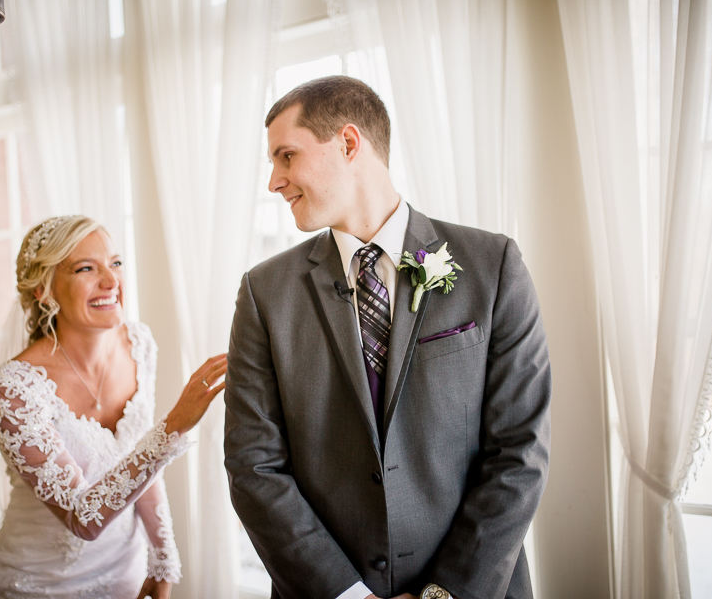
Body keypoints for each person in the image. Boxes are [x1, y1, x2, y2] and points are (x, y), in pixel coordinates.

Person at [224, 76, 551, 599]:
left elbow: (520, 449)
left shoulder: (493, 267)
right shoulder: (264, 293)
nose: (274, 182)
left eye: (286, 156)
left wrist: (442, 595)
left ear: (349, 143)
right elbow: (253, 465)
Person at [0, 215, 227, 599]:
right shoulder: (12, 391)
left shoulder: (138, 344)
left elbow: (142, 466)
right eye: (85, 268)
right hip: (40, 585)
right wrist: (175, 423)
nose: (111, 282)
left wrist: (163, 559)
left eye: (115, 263)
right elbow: (83, 519)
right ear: (45, 292)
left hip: (125, 576)